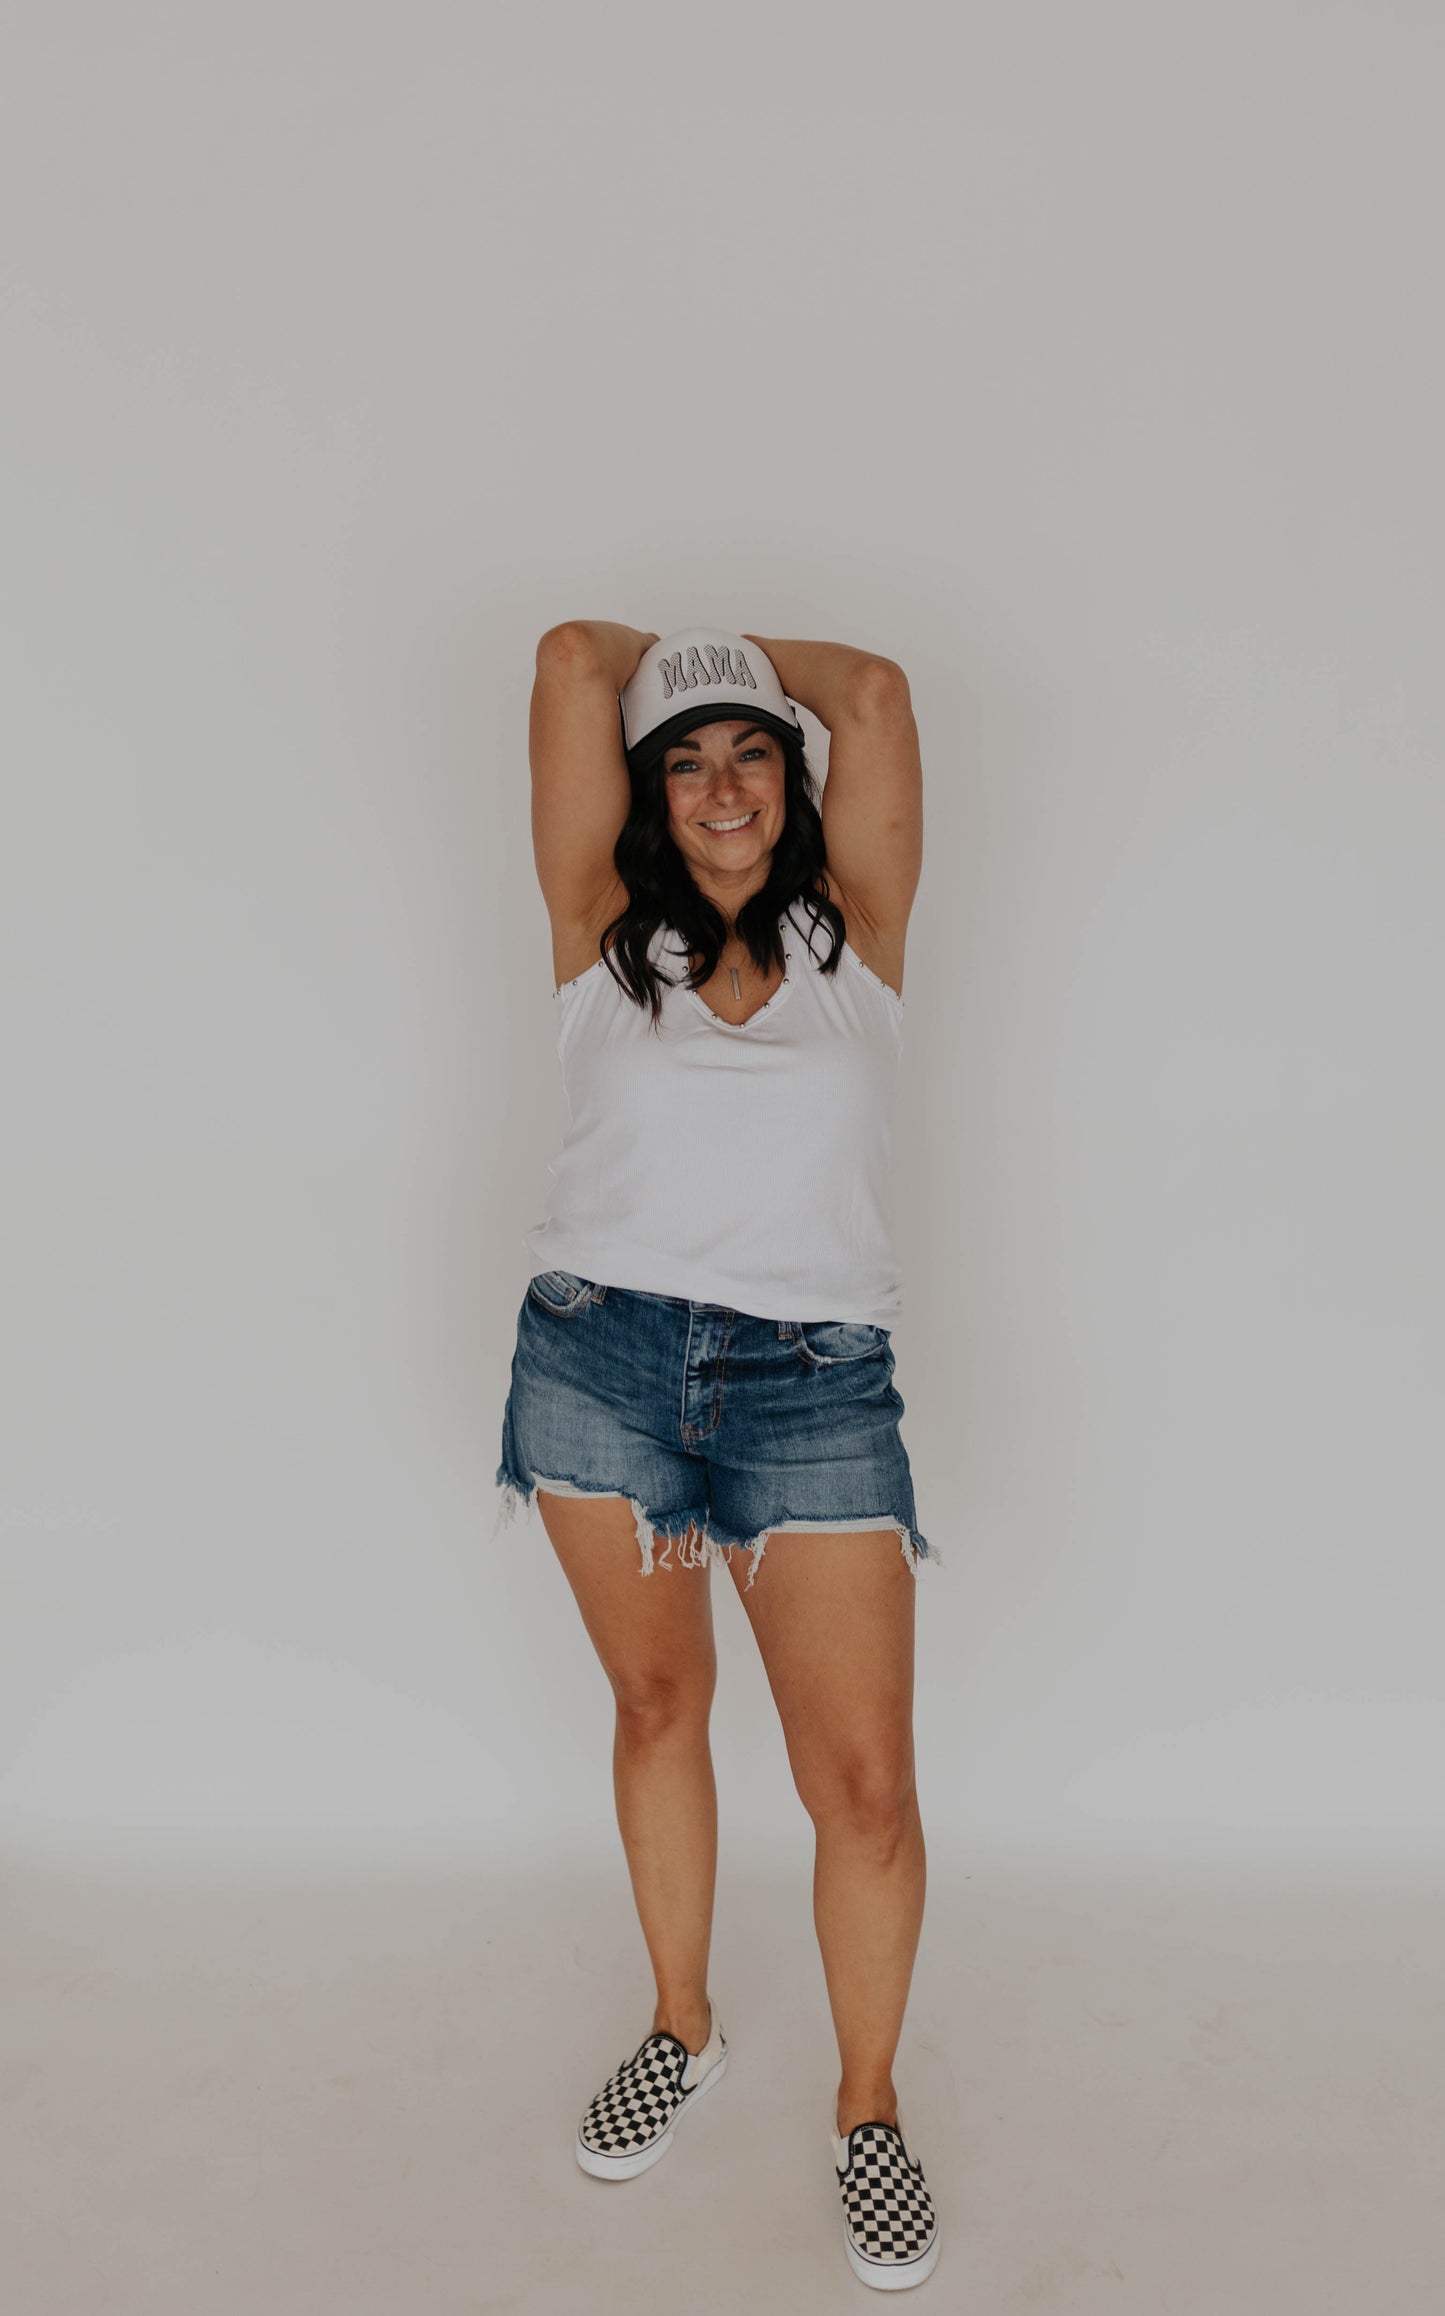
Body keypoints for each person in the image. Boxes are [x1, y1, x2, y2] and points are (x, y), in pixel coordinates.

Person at [494, 621, 943, 2288]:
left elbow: (878, 692)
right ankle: (679, 2028)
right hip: (599, 1358)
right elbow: (563, 658)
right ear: (642, 795)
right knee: (656, 1707)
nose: (720, 785)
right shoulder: (599, 933)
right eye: (680, 758)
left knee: (864, 1789)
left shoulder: (860, 940)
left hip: (811, 1382)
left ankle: (870, 2112)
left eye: (749, 749)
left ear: (793, 778)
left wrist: (726, 659)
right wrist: (663, 673)